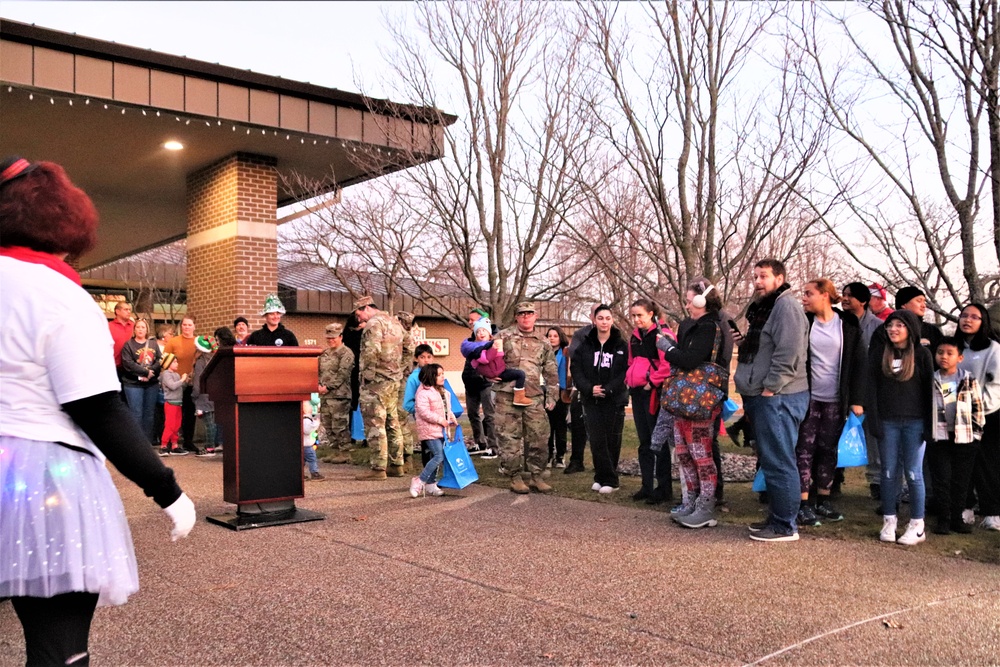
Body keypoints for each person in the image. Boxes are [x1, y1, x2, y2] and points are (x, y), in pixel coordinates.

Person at [0, 156, 195, 666]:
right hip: (42, 476)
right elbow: (97, 407)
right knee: (58, 650)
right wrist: (166, 488)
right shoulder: (60, 295)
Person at [735, 259, 810, 542]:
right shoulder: (765, 308)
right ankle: (777, 517)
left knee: (780, 460)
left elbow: (789, 352)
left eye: (763, 276)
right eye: (755, 276)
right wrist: (742, 342)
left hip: (779, 396)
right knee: (772, 459)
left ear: (779, 278)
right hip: (764, 395)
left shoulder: (786, 306)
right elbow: (765, 348)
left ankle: (785, 526)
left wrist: (771, 388)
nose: (757, 281)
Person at [657, 280, 733, 528]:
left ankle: (706, 507)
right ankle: (691, 500)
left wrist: (667, 349)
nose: (687, 304)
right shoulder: (694, 326)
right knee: (684, 453)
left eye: (690, 300)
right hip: (687, 400)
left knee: (701, 455)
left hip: (701, 401)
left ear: (702, 301)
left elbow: (689, 360)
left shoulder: (710, 327)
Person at [794, 279, 866, 526]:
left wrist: (857, 400)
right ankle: (802, 504)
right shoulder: (804, 322)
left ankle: (823, 499)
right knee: (804, 450)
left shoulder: (848, 323)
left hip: (837, 400)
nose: (804, 298)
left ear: (825, 295)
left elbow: (859, 364)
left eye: (809, 293)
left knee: (828, 449)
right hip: (809, 398)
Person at [868, 309, 934, 545]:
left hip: (915, 423)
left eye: (899, 325)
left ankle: (917, 524)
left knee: (914, 473)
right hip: (888, 422)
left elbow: (929, 393)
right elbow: (871, 389)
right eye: (889, 325)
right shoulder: (878, 354)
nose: (893, 329)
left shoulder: (923, 355)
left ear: (910, 329)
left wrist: (929, 426)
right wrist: (873, 420)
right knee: (888, 471)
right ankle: (889, 520)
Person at [494, 301, 560, 494]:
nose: (526, 317)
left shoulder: (543, 341)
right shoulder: (503, 336)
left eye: (529, 313)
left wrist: (552, 396)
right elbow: (486, 359)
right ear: (516, 316)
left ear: (535, 316)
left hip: (533, 396)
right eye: (522, 314)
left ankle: (536, 476)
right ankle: (514, 477)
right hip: (507, 395)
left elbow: (551, 372)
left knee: (538, 437)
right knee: (509, 438)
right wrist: (488, 374)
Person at [928, 337, 984, 534]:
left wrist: (976, 435)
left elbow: (978, 408)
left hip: (964, 438)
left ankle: (956, 518)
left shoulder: (968, 379)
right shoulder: (931, 379)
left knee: (961, 481)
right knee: (942, 479)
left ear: (959, 357)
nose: (944, 357)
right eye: (940, 352)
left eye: (949, 353)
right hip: (939, 437)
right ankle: (943, 519)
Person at [572, 304, 629, 494]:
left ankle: (611, 480)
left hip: (613, 399)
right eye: (600, 318)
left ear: (612, 320)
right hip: (591, 399)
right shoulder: (585, 344)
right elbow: (576, 370)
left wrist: (608, 389)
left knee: (611, 440)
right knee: (596, 440)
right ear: (594, 321)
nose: (604, 322)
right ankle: (601, 476)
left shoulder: (621, 345)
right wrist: (589, 389)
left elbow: (624, 372)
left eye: (607, 318)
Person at [956, 303, 1000, 531]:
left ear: (983, 322)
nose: (968, 320)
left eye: (974, 317)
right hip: (957, 416)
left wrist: (978, 409)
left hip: (989, 416)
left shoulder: (993, 349)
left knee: (987, 464)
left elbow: (995, 385)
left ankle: (992, 511)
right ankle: (965, 507)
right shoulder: (955, 347)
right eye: (964, 316)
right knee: (963, 464)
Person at [353, 296, 407, 480]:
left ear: (366, 308)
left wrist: (367, 377)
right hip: (393, 381)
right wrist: (400, 369)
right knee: (393, 422)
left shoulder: (373, 324)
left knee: (375, 424)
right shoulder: (394, 322)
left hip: (376, 382)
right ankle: (397, 465)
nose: (358, 317)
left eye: (358, 312)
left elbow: (371, 351)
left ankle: (378, 469)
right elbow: (410, 346)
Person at [625, 298, 673, 504]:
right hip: (637, 392)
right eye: (633, 316)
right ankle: (646, 485)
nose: (636, 320)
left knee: (658, 442)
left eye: (640, 316)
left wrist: (651, 383)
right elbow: (631, 361)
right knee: (644, 441)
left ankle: (664, 489)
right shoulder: (634, 338)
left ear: (650, 315)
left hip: (653, 393)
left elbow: (668, 363)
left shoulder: (661, 335)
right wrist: (629, 379)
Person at [403, 344, 464, 465]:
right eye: (422, 357)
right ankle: (427, 476)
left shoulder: (437, 374)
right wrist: (420, 410)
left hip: (441, 417)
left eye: (429, 357)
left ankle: (437, 471)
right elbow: (408, 402)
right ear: (416, 358)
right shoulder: (414, 378)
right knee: (428, 446)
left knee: (441, 444)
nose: (426, 360)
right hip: (426, 418)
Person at [410, 363, 458, 498]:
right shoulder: (423, 393)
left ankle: (431, 484)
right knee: (438, 455)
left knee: (436, 457)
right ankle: (420, 481)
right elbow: (423, 411)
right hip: (429, 431)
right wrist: (440, 420)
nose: (443, 377)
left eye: (443, 374)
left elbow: (446, 409)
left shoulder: (443, 392)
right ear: (431, 377)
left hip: (442, 430)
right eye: (439, 375)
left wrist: (451, 417)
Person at [564, 306, 600, 475]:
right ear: (592, 316)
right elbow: (575, 355)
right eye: (596, 314)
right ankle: (576, 461)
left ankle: (603, 465)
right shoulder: (581, 334)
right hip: (583, 386)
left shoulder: (615, 334)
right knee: (578, 426)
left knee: (603, 429)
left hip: (605, 388)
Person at [465, 318, 531, 406]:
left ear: (490, 334)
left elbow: (499, 357)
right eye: (478, 331)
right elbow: (480, 363)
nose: (481, 333)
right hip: (499, 383)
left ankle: (519, 397)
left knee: (520, 374)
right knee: (520, 374)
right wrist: (486, 377)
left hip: (503, 372)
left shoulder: (497, 341)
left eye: (484, 330)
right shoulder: (478, 350)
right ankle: (519, 397)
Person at [462, 307, 499, 457]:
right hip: (470, 383)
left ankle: (493, 446)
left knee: (489, 415)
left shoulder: (492, 339)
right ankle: (480, 443)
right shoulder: (470, 341)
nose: (470, 322)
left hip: (486, 383)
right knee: (472, 414)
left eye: (473, 319)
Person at [120, 318, 163, 447]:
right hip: (133, 384)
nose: (140, 329)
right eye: (138, 327)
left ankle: (147, 443)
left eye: (143, 327)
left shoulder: (153, 344)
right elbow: (128, 364)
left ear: (147, 329)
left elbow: (159, 361)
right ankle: (135, 444)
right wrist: (144, 373)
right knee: (136, 414)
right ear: (134, 329)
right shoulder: (129, 345)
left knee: (149, 414)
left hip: (151, 384)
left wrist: (150, 373)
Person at [317, 322, 355, 464]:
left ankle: (345, 452)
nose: (330, 340)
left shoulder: (346, 353)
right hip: (325, 395)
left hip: (340, 395)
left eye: (333, 337)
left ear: (340, 336)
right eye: (328, 338)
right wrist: (319, 385)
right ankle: (335, 451)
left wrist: (328, 386)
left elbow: (343, 373)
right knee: (328, 424)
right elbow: (318, 371)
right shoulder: (325, 354)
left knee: (339, 425)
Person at [163, 316, 198, 452]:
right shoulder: (173, 342)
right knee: (174, 415)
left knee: (190, 414)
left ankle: (188, 441)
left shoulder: (198, 342)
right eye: (184, 325)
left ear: (194, 326)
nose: (187, 327)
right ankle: (172, 442)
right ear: (181, 326)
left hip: (191, 383)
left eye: (189, 325)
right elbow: (164, 362)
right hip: (176, 384)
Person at [545, 326, 570, 468]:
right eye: (550, 335)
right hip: (545, 391)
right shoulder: (543, 352)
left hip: (561, 392)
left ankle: (560, 456)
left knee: (560, 425)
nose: (552, 338)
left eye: (555, 336)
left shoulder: (566, 352)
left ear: (560, 337)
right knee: (548, 426)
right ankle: (548, 455)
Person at [191, 335, 220, 456]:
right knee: (213, 422)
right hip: (214, 395)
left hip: (203, 397)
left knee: (209, 424)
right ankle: (212, 446)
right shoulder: (214, 359)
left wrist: (194, 396)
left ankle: (209, 448)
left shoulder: (201, 362)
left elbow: (198, 382)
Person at [895, 286, 943, 354]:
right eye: (919, 301)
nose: (924, 305)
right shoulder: (889, 330)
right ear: (904, 304)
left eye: (924, 302)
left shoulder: (932, 331)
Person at [159, 354, 188, 457]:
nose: (177, 364)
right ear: (168, 363)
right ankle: (163, 445)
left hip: (178, 402)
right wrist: (182, 380)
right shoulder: (166, 374)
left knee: (177, 425)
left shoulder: (176, 374)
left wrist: (185, 381)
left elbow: (180, 387)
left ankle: (174, 445)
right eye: (174, 362)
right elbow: (172, 386)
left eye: (177, 361)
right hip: (170, 402)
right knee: (170, 425)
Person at [152, 323, 174, 447]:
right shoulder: (155, 346)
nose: (172, 336)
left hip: (168, 383)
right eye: (170, 333)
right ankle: (156, 435)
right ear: (163, 335)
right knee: (158, 410)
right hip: (157, 381)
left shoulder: (170, 346)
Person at [841, 282, 882, 349]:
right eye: (843, 295)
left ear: (863, 301)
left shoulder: (878, 326)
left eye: (850, 295)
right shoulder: (837, 322)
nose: (845, 298)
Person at [108, 300, 134, 379]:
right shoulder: (108, 326)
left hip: (132, 367)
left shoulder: (134, 326)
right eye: (125, 309)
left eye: (129, 310)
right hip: (114, 367)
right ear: (117, 311)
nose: (129, 312)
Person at [302, 400, 324, 481]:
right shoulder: (306, 420)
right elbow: (307, 430)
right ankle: (314, 473)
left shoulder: (304, 419)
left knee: (302, 460)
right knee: (312, 459)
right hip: (307, 445)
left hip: (304, 444)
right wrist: (316, 423)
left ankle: (301, 473)